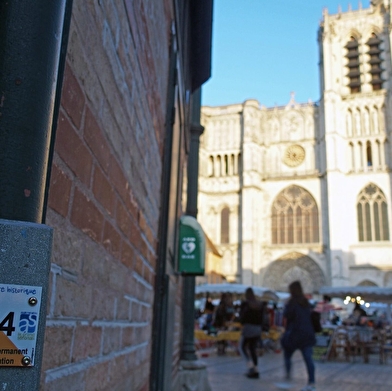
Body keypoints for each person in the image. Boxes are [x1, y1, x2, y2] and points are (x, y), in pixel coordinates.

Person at [279, 281, 316, 391]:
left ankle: (288, 379)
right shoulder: (306, 302)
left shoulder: (292, 303)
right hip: (307, 334)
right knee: (308, 359)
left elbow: (287, 315)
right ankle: (312, 383)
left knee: (287, 355)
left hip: (295, 334)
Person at [238, 287, 264, 379]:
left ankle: (250, 366)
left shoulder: (246, 304)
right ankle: (255, 369)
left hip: (248, 328)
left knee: (242, 347)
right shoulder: (260, 305)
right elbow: (263, 319)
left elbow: (242, 317)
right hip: (257, 329)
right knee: (252, 348)